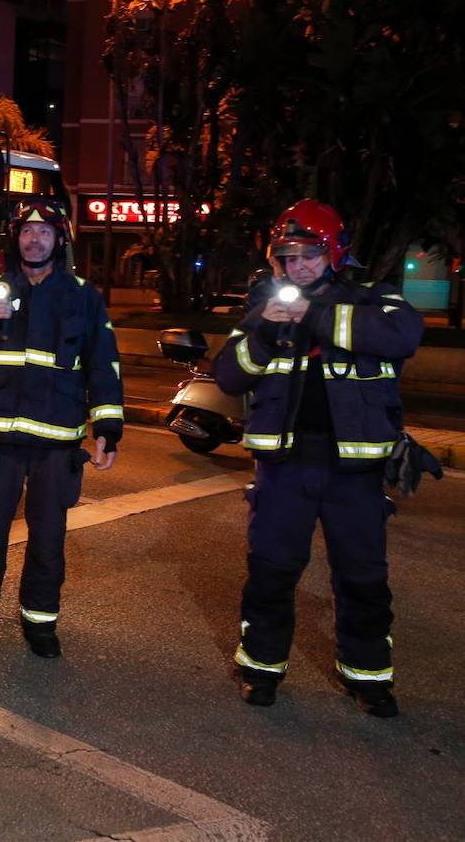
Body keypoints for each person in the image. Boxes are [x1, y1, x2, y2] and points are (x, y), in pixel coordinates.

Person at [213, 199, 423, 717]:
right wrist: (263, 331)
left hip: (353, 471)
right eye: (288, 257)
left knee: (362, 576)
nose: (298, 267)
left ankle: (369, 678)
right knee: (271, 571)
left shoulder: (374, 299)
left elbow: (403, 335)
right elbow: (228, 375)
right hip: (284, 468)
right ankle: (261, 669)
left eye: (309, 254)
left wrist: (316, 315)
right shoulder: (266, 311)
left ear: (332, 253)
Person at [0, 200, 123, 664]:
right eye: (27, 231)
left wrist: (107, 428)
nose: (35, 239)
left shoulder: (84, 296)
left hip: (55, 446)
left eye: (45, 232)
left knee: (48, 545)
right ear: (15, 239)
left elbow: (103, 366)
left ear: (60, 239)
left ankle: (40, 624)